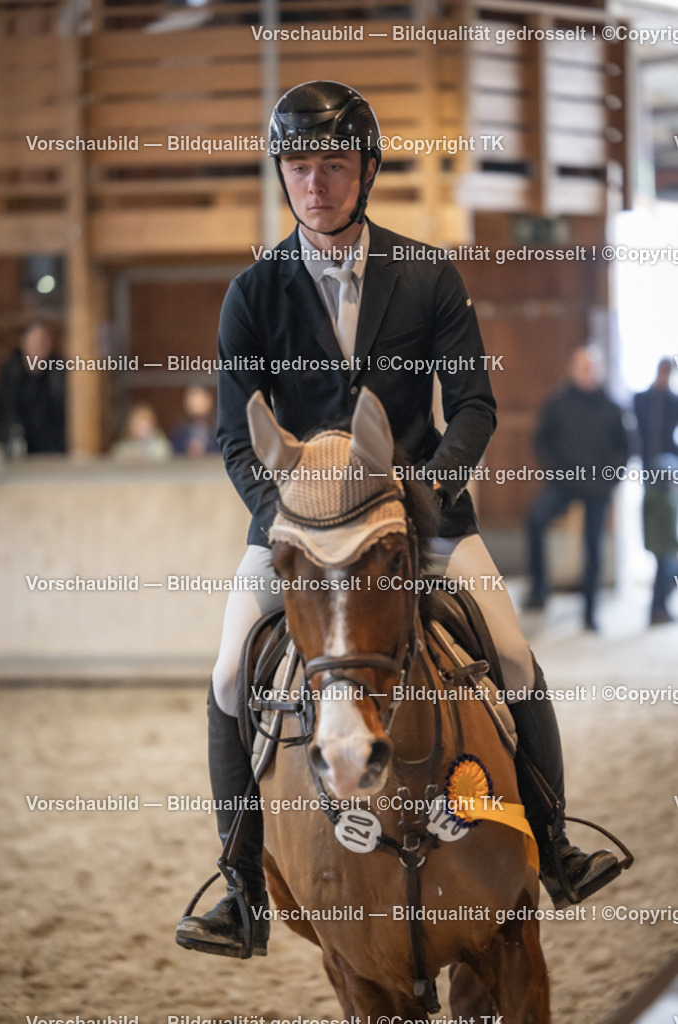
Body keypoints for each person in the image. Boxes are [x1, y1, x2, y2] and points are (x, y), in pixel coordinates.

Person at [176, 81, 623, 959]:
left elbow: (474, 406)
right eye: (298, 168)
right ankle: (240, 889)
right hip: (303, 531)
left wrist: (431, 488)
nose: (315, 186)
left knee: (515, 655)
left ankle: (556, 846)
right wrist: (286, 518)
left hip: (419, 521)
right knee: (231, 674)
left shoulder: (427, 274)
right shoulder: (252, 294)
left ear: (368, 170)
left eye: (333, 167)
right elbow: (237, 436)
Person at [524, 347, 629, 630]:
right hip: (563, 483)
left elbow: (625, 448)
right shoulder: (558, 402)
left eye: (592, 367)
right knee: (535, 519)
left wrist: (609, 480)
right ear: (572, 368)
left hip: (598, 487)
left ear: (599, 370)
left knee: (592, 547)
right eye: (582, 366)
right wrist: (557, 473)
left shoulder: (612, 406)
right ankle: (539, 591)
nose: (587, 371)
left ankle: (590, 612)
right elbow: (542, 442)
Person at [0, 321, 66, 455]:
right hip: (17, 445)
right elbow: (4, 410)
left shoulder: (58, 371)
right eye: (35, 342)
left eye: (43, 342)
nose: (39, 347)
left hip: (53, 448)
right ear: (24, 344)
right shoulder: (11, 371)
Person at [642, 453, 678, 625]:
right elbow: (668, 528)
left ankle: (659, 609)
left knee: (664, 578)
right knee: (666, 578)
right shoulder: (661, 499)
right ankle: (658, 610)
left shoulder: (654, 494)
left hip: (661, 545)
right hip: (663, 546)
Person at [633, 357, 678, 471]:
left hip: (667, 457)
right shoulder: (640, 399)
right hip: (646, 455)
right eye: (663, 371)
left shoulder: (674, 402)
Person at [170, 386, 218, 457]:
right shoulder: (179, 430)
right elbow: (173, 452)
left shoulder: (218, 429)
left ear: (209, 401)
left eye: (200, 400)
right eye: (192, 400)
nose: (196, 404)